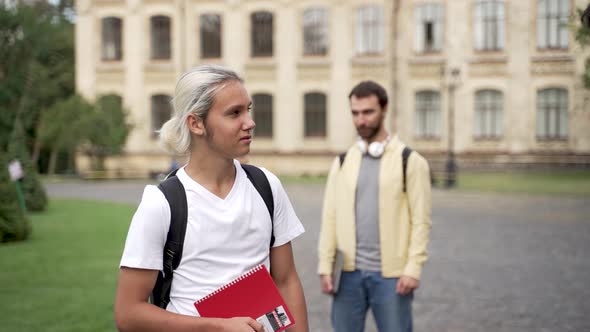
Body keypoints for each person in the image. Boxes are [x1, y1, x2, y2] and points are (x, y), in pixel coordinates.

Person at [115, 65, 309, 332]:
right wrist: (217, 326)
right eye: (234, 113)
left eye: (248, 110)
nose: (249, 122)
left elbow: (286, 281)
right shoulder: (162, 204)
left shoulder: (266, 185)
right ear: (196, 123)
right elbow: (128, 313)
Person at [317, 81, 432, 332]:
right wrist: (326, 266)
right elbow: (330, 218)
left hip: (392, 277)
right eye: (355, 113)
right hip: (347, 275)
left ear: (384, 109)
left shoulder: (410, 162)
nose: (361, 120)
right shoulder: (343, 161)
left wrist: (413, 269)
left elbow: (421, 222)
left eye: (368, 112)